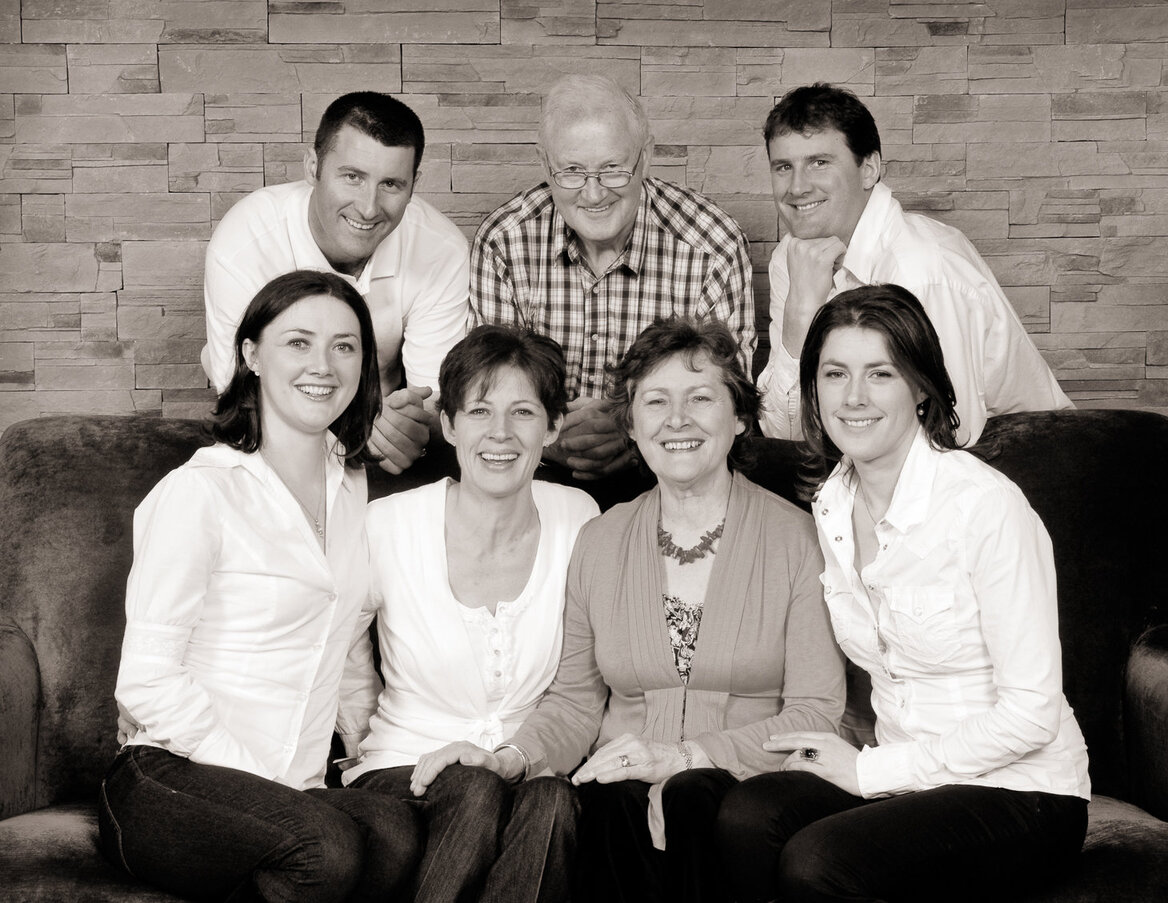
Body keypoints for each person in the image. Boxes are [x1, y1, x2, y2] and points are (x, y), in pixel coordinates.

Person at [409, 318, 846, 903]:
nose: (677, 419)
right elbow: (575, 701)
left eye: (701, 398)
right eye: (656, 401)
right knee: (607, 798)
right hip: (622, 793)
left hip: (744, 787)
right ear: (634, 426)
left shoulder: (797, 539)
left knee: (690, 796)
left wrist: (687, 757)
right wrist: (511, 759)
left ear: (740, 417)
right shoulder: (602, 540)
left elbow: (816, 711)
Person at [718, 284, 1091, 902]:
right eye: (834, 374)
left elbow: (1031, 713)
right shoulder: (832, 503)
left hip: (1023, 791)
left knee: (820, 860)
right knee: (747, 814)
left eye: (880, 373)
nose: (854, 397)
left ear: (920, 387)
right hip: (903, 777)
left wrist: (869, 770)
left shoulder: (984, 508)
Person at [98, 270, 420, 902]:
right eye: (298, 342)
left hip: (292, 789)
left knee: (397, 832)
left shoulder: (349, 486)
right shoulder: (202, 491)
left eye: (345, 346)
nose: (323, 364)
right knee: (325, 846)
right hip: (170, 774)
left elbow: (347, 644)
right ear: (250, 354)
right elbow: (146, 679)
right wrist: (266, 784)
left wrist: (363, 760)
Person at [341, 325, 600, 902]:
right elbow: (333, 649)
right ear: (451, 426)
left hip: (527, 766)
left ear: (553, 426)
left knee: (554, 799)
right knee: (475, 787)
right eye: (479, 411)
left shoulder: (579, 518)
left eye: (524, 412)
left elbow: (592, 671)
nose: (500, 434)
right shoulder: (388, 524)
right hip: (402, 769)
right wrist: (355, 737)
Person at [471, 74, 757, 484]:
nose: (593, 194)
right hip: (533, 469)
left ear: (647, 156)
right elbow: (486, 395)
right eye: (571, 171)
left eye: (613, 170)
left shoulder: (714, 247)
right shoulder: (503, 241)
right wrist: (554, 439)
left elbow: (731, 404)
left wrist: (631, 433)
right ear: (543, 163)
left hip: (669, 470)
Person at [756, 82, 1072, 447]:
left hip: (1018, 463)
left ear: (869, 169)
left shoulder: (920, 272)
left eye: (819, 162)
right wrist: (800, 315)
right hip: (887, 467)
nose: (797, 187)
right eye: (783, 167)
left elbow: (949, 440)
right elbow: (786, 434)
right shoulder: (794, 257)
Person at [203, 90, 470, 474]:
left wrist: (407, 426)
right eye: (352, 177)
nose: (368, 207)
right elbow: (243, 398)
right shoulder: (244, 244)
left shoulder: (441, 249)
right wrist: (354, 429)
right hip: (276, 414)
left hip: (382, 419)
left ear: (414, 183)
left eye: (391, 184)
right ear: (313, 167)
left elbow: (434, 398)